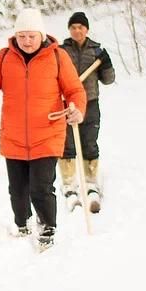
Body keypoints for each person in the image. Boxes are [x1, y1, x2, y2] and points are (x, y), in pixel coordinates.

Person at [0, 8, 86, 247]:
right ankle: (23, 223)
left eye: (31, 36)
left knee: (41, 187)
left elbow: (74, 90)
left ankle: (47, 228)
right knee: (18, 190)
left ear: (41, 34)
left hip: (48, 133)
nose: (27, 41)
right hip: (13, 136)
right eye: (21, 36)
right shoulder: (3, 57)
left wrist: (76, 108)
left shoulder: (57, 56)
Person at [59, 11, 115, 212]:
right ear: (69, 30)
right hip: (68, 103)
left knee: (89, 141)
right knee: (67, 143)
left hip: (90, 103)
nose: (77, 30)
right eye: (73, 27)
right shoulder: (61, 51)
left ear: (87, 29)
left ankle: (91, 180)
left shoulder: (96, 51)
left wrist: (106, 63)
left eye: (80, 27)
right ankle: (68, 181)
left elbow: (108, 80)